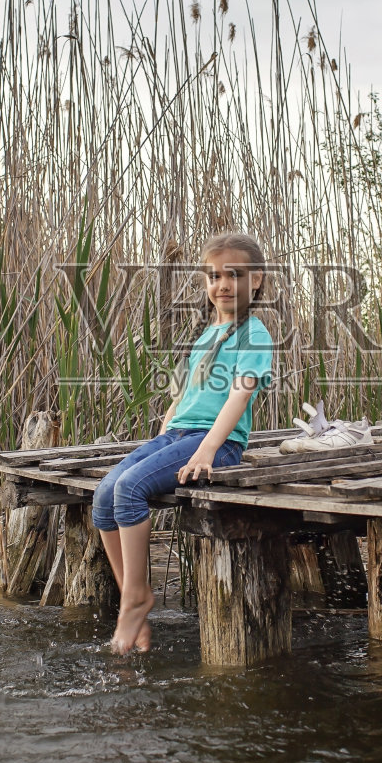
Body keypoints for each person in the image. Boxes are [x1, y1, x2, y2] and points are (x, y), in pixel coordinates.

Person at [91, 232, 275, 654]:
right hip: (178, 434)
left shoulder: (255, 334)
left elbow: (240, 394)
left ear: (258, 280)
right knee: (104, 496)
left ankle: (136, 600)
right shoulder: (207, 333)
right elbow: (182, 394)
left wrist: (209, 448)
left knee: (130, 490)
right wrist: (160, 436)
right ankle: (130, 594)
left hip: (218, 442)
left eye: (234, 274)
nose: (222, 284)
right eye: (213, 276)